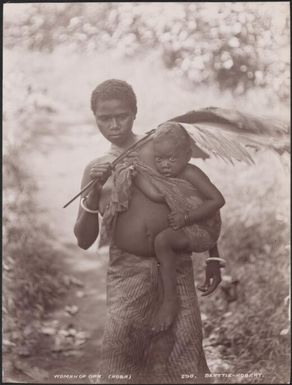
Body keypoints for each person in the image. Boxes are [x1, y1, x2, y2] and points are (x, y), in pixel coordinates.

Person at [74, 79, 224, 384]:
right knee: (122, 354)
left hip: (177, 267)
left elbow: (197, 198)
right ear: (95, 118)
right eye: (105, 118)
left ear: (135, 113)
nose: (114, 125)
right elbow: (83, 239)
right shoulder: (97, 168)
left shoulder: (161, 149)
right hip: (126, 272)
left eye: (122, 116)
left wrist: (212, 257)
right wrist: (93, 192)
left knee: (184, 350)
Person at [123, 122, 225, 333]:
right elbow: (156, 195)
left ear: (187, 155)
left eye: (171, 158)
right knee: (163, 241)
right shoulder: (166, 176)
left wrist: (186, 218)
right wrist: (135, 173)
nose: (165, 165)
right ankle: (168, 297)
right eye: (159, 159)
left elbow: (217, 201)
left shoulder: (191, 173)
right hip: (193, 226)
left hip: (204, 228)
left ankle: (170, 302)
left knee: (163, 241)